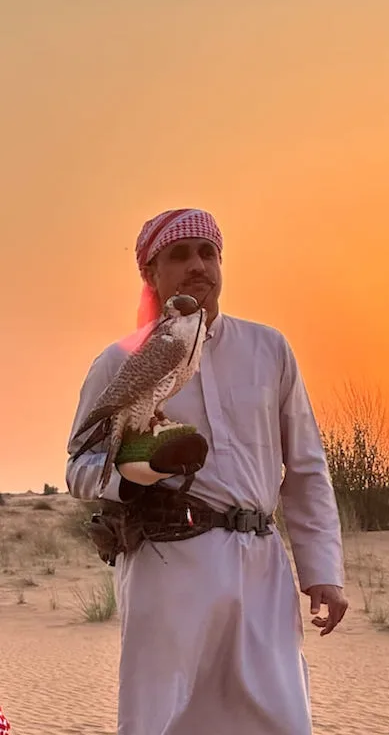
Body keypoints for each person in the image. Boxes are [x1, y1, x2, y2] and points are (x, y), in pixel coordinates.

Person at [66, 208, 348, 735]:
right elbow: (79, 467)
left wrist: (323, 572)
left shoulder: (269, 348)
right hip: (169, 564)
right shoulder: (121, 359)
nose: (198, 265)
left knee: (282, 720)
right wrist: (138, 472)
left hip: (262, 567)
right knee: (159, 721)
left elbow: (307, 468)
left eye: (208, 253)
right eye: (179, 255)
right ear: (151, 274)